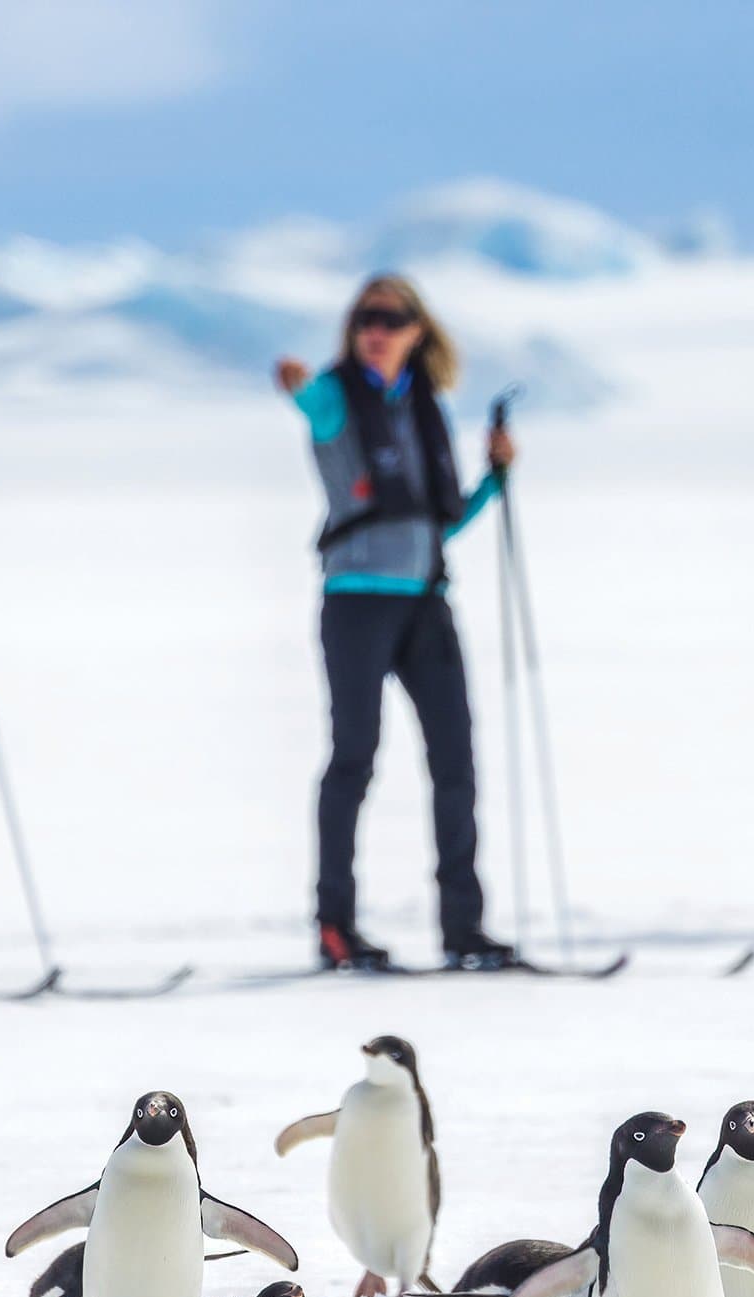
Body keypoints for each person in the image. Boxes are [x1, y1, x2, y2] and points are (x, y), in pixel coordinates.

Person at [275, 275, 518, 972]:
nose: (375, 331)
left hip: (425, 599)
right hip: (356, 601)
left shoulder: (425, 409)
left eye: (391, 319)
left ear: (418, 330)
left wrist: (495, 481)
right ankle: (336, 924)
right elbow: (309, 400)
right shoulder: (335, 398)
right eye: (365, 320)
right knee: (354, 757)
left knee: (456, 763)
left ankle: (464, 926)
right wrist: (294, 384)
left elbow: (438, 520)